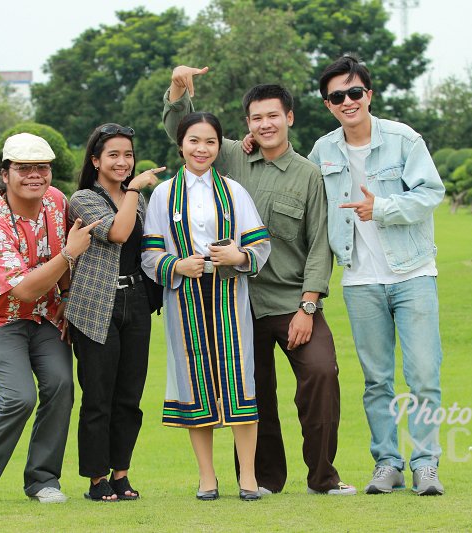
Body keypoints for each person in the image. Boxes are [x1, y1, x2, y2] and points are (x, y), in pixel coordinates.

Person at [163, 67, 355, 496]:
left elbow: (320, 244)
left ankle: (323, 477)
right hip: (235, 302)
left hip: (290, 302)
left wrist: (308, 306)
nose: (264, 125)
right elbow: (189, 132)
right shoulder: (230, 156)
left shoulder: (308, 174)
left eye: (272, 116)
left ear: (289, 117)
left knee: (321, 375)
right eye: (255, 118)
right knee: (253, 391)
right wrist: (178, 89)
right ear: (246, 124)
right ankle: (263, 480)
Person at [308, 54, 446, 496]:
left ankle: (426, 464)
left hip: (413, 272)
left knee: (423, 375)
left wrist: (380, 208)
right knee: (376, 379)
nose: (347, 101)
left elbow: (431, 192)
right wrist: (253, 144)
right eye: (337, 96)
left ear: (369, 94)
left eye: (354, 92)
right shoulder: (323, 151)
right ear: (328, 104)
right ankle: (387, 462)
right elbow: (299, 185)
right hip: (360, 280)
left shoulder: (404, 139)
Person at [0, 133, 100, 507]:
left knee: (61, 386)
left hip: (45, 318)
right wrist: (69, 254)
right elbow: (23, 290)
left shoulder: (56, 202)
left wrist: (67, 296)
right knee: (18, 396)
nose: (34, 175)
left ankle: (42, 479)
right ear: (6, 174)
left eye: (42, 168)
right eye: (23, 168)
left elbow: (61, 269)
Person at [143, 111, 270, 501]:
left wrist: (238, 255)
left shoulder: (234, 191)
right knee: (194, 382)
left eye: (210, 142)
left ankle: (247, 476)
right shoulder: (164, 195)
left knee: (239, 379)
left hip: (230, 296)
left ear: (220, 145)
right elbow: (150, 255)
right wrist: (177, 264)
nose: (202, 149)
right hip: (185, 297)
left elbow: (260, 244)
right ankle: (207, 477)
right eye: (194, 141)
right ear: (181, 145)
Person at [66, 124, 164, 502]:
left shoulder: (135, 198)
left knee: (129, 396)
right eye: (113, 155)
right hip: (95, 307)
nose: (123, 162)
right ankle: (96, 479)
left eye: (128, 154)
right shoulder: (83, 200)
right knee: (98, 396)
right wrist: (136, 189)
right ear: (95, 160)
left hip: (136, 301)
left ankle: (121, 473)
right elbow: (119, 234)